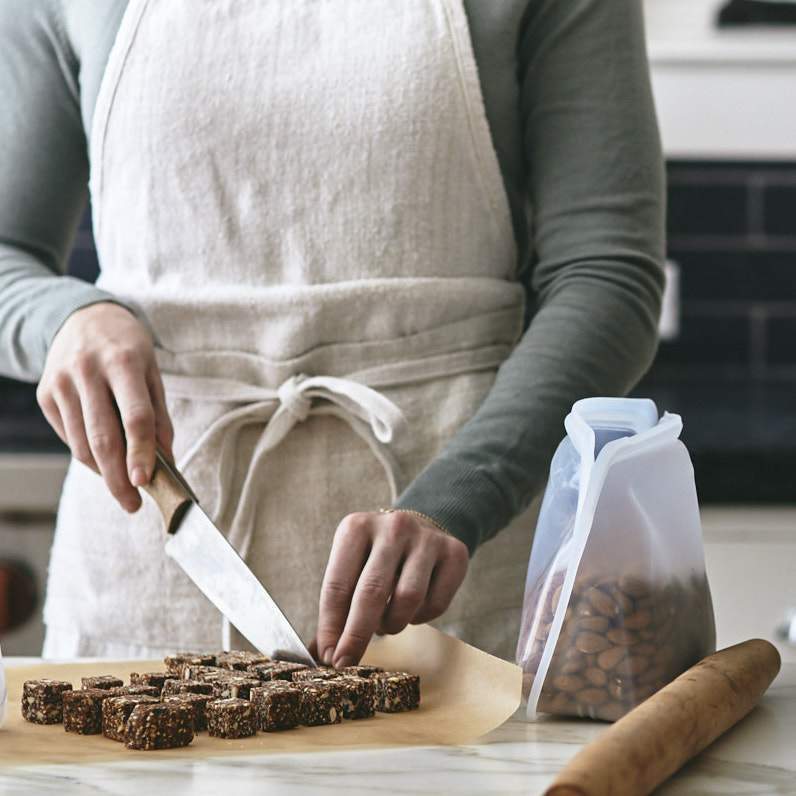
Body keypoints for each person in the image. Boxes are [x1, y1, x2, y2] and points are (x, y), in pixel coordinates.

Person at [0, 0, 664, 663]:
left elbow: (607, 275)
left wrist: (457, 500)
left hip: (453, 585)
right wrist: (66, 319)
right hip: (150, 576)